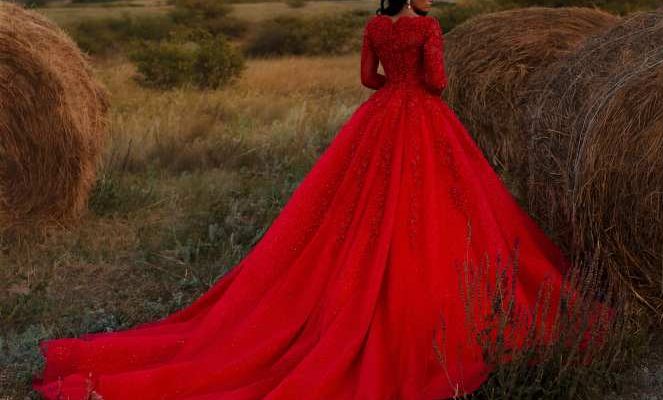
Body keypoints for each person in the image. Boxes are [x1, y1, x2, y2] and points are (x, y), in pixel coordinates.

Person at [32, 0, 602, 399]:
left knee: (356, 209)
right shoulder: (430, 29)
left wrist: (391, 82)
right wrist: (420, 72)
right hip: (424, 119)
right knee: (444, 208)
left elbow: (368, 82)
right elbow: (438, 83)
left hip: (379, 121)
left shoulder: (375, 25)